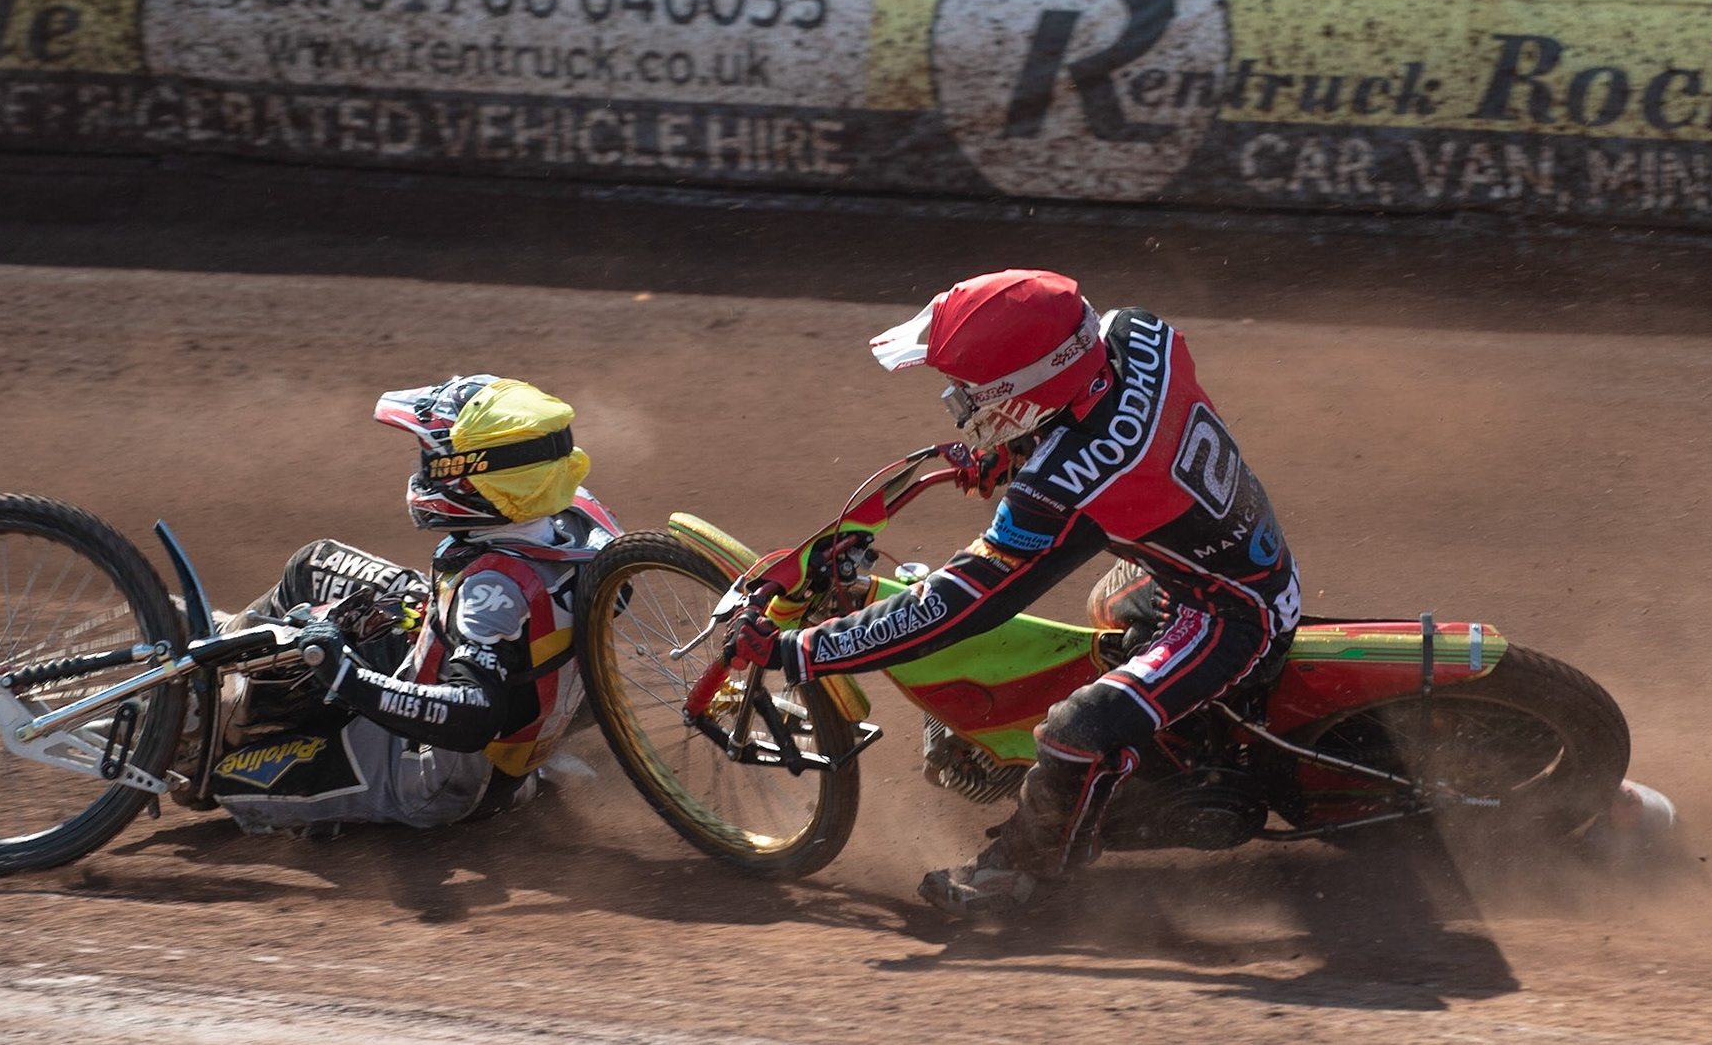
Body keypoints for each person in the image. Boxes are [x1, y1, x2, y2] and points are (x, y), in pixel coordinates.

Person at [720, 269, 1300, 917]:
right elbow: (1112, 421)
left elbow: (957, 605)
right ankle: (1151, 766)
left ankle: (1026, 872)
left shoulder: (1064, 486)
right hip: (1211, 558)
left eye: (971, 391)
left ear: (1027, 394)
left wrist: (800, 652)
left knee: (1072, 731)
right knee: (1094, 634)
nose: (961, 401)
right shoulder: (1136, 331)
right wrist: (1018, 451)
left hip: (1230, 614)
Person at [202, 374, 618, 835]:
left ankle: (258, 737)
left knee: (224, 778)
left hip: (438, 771)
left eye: (434, 460)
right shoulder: (586, 522)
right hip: (497, 688)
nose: (424, 471)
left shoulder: (490, 592)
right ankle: (223, 656)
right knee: (313, 566)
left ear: (468, 479)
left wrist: (346, 675)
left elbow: (470, 714)